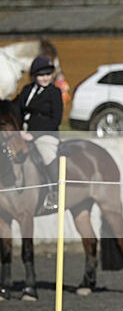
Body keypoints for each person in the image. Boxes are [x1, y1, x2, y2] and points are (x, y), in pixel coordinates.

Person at [15, 55, 63, 211]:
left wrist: (34, 135)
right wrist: (19, 129)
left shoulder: (54, 92)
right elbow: (18, 110)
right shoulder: (27, 90)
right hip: (24, 132)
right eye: (41, 75)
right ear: (35, 75)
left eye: (48, 74)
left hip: (46, 135)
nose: (45, 78)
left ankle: (55, 192)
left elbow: (56, 119)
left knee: (47, 154)